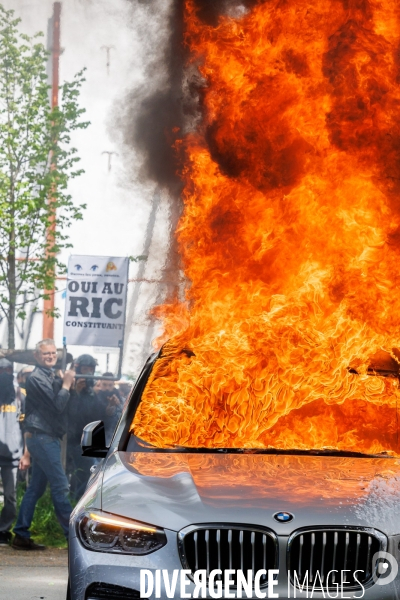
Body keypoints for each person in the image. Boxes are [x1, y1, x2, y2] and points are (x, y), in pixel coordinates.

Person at [12, 339, 75, 550]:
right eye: (46, 354)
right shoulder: (37, 378)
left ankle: (21, 534)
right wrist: (66, 385)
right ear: (37, 357)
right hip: (43, 439)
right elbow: (57, 406)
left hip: (43, 438)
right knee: (60, 485)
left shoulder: (49, 375)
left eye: (53, 353)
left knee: (35, 489)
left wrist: (68, 386)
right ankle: (73, 536)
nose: (50, 356)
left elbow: (62, 404)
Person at [67, 354, 99, 501]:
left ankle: (78, 499)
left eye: (90, 369)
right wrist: (76, 392)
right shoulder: (69, 385)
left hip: (88, 437)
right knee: (76, 472)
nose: (87, 373)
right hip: (72, 438)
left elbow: (94, 414)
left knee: (86, 472)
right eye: (85, 369)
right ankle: (74, 499)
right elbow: (70, 413)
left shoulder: (92, 390)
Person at [0, 359, 23, 546]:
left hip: (13, 454)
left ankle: (3, 530)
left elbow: (26, 424)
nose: (4, 373)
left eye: (8, 370)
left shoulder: (20, 394)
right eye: (1, 370)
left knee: (10, 495)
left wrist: (26, 453)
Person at [97, 372, 123, 445]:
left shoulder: (117, 396)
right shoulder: (96, 395)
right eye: (104, 385)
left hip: (112, 433)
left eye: (110, 385)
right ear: (100, 383)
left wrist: (117, 405)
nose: (107, 388)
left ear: (113, 385)